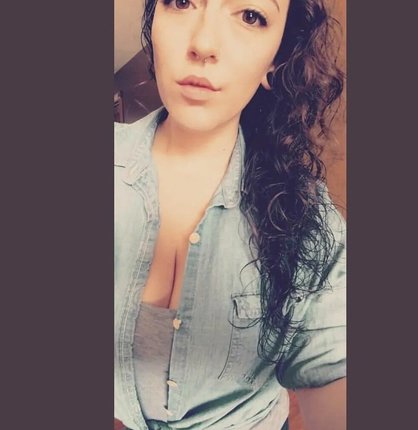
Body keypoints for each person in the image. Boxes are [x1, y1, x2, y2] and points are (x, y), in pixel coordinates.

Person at [114, 0, 346, 429]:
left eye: (251, 15)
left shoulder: (308, 217)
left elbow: (334, 365)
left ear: (275, 60)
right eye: (181, 1)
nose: (203, 43)